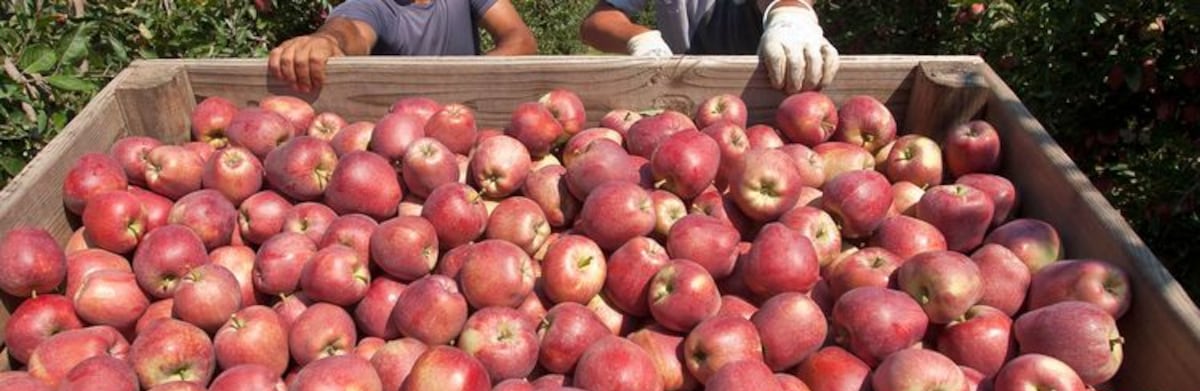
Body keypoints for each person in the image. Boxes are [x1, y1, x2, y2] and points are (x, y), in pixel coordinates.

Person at [269, 0, 538, 93]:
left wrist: (460, 81)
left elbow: (521, 40)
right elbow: (349, 30)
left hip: (469, 123)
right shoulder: (373, 5)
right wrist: (327, 41)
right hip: (403, 146)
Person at [580, 0, 838, 93]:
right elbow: (596, 22)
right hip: (683, 95)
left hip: (762, 95)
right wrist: (640, 37)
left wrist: (791, 17)